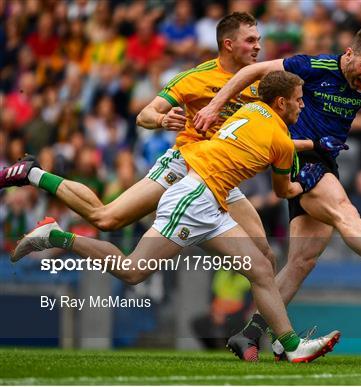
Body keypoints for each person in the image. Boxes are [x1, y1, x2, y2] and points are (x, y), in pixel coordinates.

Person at [12, 70, 340, 363]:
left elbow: (274, 142)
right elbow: (284, 189)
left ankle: (290, 345)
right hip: (194, 199)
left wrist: (309, 143)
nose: (302, 106)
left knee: (261, 269)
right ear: (281, 102)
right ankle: (56, 236)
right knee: (131, 270)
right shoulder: (278, 136)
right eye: (298, 101)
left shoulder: (252, 110)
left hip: (210, 199)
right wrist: (309, 183)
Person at [194, 26, 361, 361]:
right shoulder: (314, 67)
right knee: (345, 210)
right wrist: (215, 106)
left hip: (325, 158)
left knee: (302, 261)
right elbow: (252, 71)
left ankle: (250, 333)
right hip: (299, 154)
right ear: (349, 53)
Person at [0, 13, 276, 266]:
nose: (258, 47)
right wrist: (162, 120)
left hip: (220, 177)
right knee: (106, 218)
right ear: (228, 44)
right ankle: (33, 174)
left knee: (263, 254)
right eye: (250, 40)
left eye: (259, 40)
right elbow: (145, 114)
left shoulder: (262, 82)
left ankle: (262, 322)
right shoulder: (196, 78)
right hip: (185, 166)